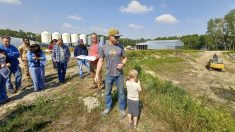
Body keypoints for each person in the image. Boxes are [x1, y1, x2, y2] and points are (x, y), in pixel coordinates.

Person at [95, 28, 127, 117]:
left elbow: (124, 57)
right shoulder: (103, 47)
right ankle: (108, 108)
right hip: (109, 74)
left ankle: (122, 109)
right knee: (107, 93)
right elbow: (100, 61)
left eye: (118, 37)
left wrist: (123, 64)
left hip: (119, 74)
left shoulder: (120, 46)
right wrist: (97, 74)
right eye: (116, 37)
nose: (118, 38)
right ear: (110, 36)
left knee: (121, 93)